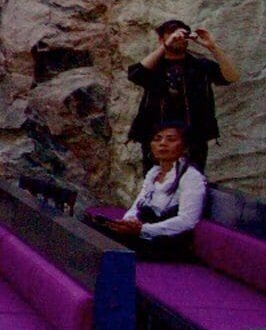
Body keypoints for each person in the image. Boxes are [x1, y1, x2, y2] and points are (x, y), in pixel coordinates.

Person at [125, 21, 234, 169]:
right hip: (157, 138)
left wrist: (212, 47)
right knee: (156, 182)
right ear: (161, 39)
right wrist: (165, 46)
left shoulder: (200, 66)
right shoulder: (154, 66)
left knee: (192, 183)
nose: (178, 37)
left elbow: (230, 77)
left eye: (182, 34)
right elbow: (135, 74)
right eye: (171, 33)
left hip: (193, 137)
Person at [100, 122, 209, 259]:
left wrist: (144, 230)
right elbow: (137, 206)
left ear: (185, 147)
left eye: (171, 139)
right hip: (143, 232)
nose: (162, 144)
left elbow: (187, 220)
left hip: (167, 241)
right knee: (94, 229)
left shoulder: (191, 177)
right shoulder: (154, 173)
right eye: (157, 139)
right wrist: (128, 222)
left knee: (104, 241)